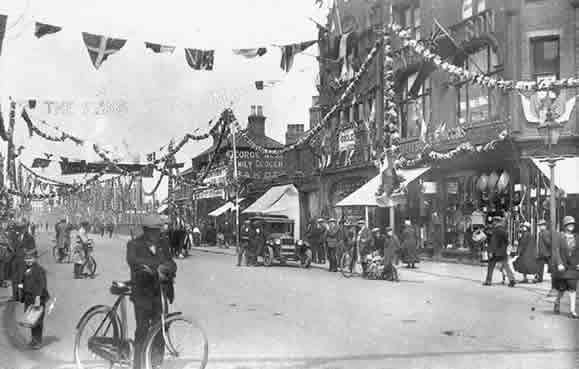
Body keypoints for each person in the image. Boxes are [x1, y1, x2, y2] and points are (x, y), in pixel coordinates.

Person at [126, 214, 177, 369]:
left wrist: (166, 268)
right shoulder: (134, 245)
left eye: (159, 230)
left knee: (160, 329)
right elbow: (135, 263)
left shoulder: (163, 244)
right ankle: (138, 365)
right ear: (146, 230)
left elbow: (172, 263)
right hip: (143, 294)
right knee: (142, 330)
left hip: (159, 294)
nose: (158, 234)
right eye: (155, 231)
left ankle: (156, 364)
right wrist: (157, 269)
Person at [18, 249, 49, 350]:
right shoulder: (26, 269)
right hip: (28, 298)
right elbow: (22, 281)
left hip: (37, 298)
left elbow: (42, 285)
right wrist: (21, 288)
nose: (28, 261)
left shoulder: (39, 270)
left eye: (30, 258)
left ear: (35, 258)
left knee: (38, 320)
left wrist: (38, 298)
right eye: (26, 259)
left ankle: (38, 341)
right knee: (31, 320)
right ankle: (33, 339)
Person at [551, 216, 578, 319]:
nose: (571, 226)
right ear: (565, 225)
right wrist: (559, 263)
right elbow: (556, 251)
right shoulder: (560, 236)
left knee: (572, 288)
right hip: (563, 267)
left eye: (572, 224)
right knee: (562, 289)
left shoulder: (576, 237)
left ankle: (572, 311)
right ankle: (557, 302)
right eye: (569, 224)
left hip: (573, 267)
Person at [484, 217, 516, 287]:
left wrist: (491, 251)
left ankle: (488, 281)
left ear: (496, 222)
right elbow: (507, 241)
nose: (493, 223)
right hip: (502, 252)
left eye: (494, 221)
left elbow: (493, 242)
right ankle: (512, 280)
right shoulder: (504, 230)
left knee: (491, 266)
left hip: (495, 252)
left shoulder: (495, 231)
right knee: (507, 266)